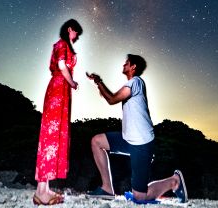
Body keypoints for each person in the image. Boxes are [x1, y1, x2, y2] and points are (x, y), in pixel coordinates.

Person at [86, 54, 188, 203]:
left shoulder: (136, 82)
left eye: (126, 63)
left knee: (140, 197)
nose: (124, 65)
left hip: (142, 142)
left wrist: (99, 82)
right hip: (128, 139)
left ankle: (174, 181)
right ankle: (107, 189)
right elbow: (110, 98)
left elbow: (112, 99)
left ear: (133, 67)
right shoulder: (132, 84)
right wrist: (98, 83)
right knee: (97, 141)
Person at [33, 19, 83, 205]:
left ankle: (44, 188)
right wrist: (72, 83)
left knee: (54, 135)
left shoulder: (62, 45)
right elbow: (61, 65)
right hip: (59, 88)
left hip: (60, 90)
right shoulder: (62, 44)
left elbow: (56, 65)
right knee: (50, 135)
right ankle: (41, 190)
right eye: (76, 32)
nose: (77, 36)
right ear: (70, 29)